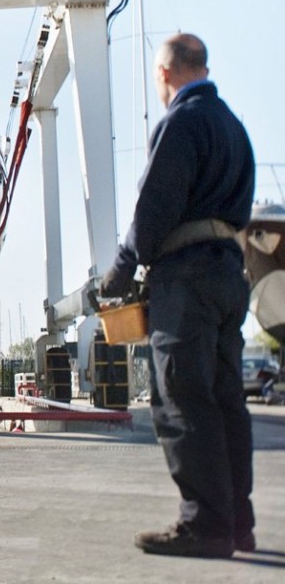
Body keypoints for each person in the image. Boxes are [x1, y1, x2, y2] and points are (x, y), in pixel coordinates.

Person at [99, 33, 256, 559]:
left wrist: (121, 270)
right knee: (226, 399)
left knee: (183, 399)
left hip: (184, 278)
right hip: (230, 275)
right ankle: (237, 521)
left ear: (164, 75)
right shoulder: (234, 127)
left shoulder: (181, 122)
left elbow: (154, 207)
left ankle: (204, 525)